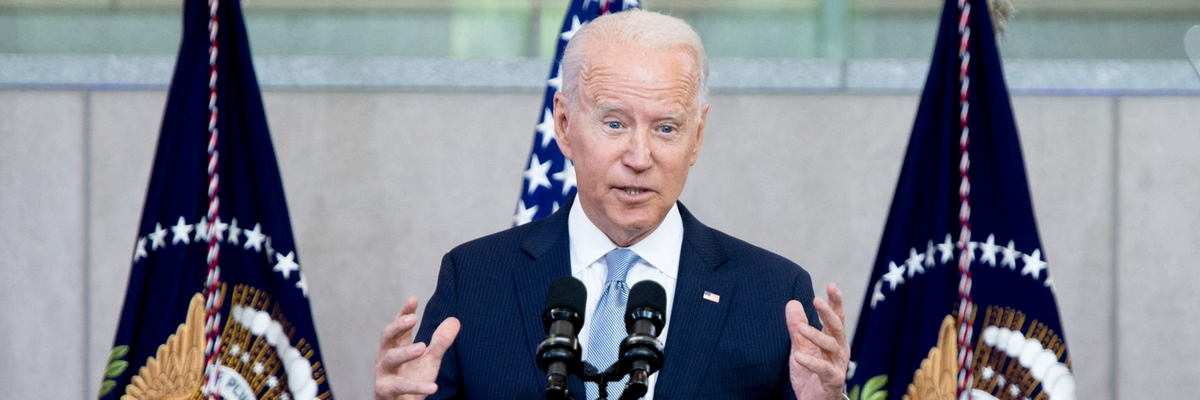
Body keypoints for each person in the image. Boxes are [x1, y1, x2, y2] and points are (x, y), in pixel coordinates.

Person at [374, 10, 849, 400]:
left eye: (666, 128)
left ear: (697, 137)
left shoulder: (772, 293)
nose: (639, 158)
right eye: (615, 124)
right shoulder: (475, 280)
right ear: (563, 123)